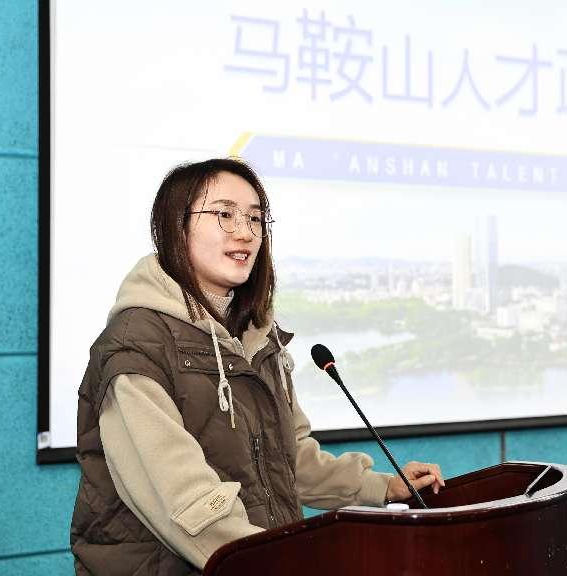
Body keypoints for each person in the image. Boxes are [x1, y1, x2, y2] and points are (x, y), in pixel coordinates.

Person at [70, 158, 445, 575]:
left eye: (254, 218)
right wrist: (281, 561)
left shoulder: (257, 337)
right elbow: (182, 502)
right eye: (224, 215)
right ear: (176, 226)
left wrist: (382, 487)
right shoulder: (135, 345)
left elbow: (289, 460)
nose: (245, 232)